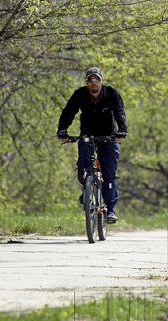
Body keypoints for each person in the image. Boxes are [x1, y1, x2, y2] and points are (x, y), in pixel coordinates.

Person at [57, 67, 127, 223]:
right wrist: (62, 130)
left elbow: (119, 111)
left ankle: (110, 210)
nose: (93, 83)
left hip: (109, 137)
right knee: (83, 167)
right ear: (86, 82)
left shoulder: (111, 94)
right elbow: (68, 112)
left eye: (96, 79)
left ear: (102, 80)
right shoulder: (80, 95)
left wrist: (121, 130)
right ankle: (87, 189)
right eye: (90, 80)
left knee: (109, 175)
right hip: (87, 136)